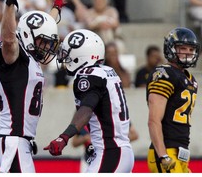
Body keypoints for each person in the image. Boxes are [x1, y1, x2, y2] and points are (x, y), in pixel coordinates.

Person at [0, 0, 66, 173]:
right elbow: (8, 38)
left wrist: (56, 9)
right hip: (12, 139)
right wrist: (10, 2)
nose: (46, 47)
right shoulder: (13, 54)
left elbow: (39, 29)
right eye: (43, 42)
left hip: (19, 140)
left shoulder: (30, 56)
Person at [44, 29, 134, 172]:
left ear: (80, 55)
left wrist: (64, 137)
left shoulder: (88, 75)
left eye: (68, 54)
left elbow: (86, 109)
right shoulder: (106, 72)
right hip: (119, 150)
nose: (64, 58)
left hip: (109, 152)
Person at [147, 27, 200, 173]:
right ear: (170, 49)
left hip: (181, 151)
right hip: (166, 151)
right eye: (182, 48)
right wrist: (163, 155)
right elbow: (154, 120)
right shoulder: (165, 74)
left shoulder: (190, 79)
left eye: (191, 49)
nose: (187, 53)